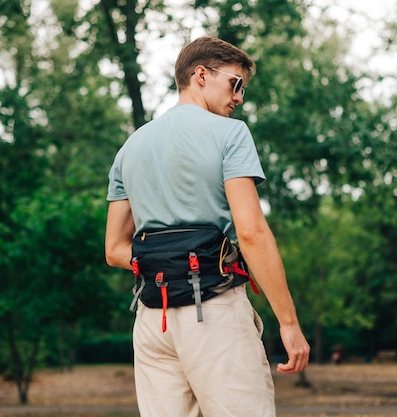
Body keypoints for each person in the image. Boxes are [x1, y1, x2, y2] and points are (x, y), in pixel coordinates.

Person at [105, 36, 310, 417]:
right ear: (201, 75)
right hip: (214, 314)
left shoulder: (129, 149)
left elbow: (114, 250)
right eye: (235, 83)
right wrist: (289, 323)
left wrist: (165, 262)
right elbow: (251, 233)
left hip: (152, 320)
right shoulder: (231, 134)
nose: (239, 97)